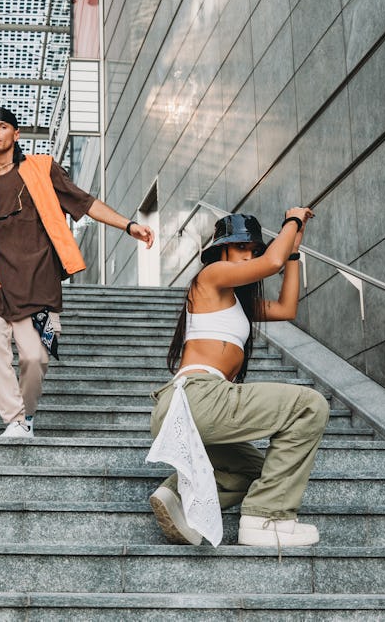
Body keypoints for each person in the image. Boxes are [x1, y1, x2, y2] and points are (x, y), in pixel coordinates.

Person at [0, 106, 154, 438]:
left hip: (39, 284)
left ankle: (27, 415)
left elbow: (85, 202)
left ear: (15, 135)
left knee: (35, 358)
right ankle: (15, 419)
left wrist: (128, 224)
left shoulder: (42, 168)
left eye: (2, 126)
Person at [148, 208, 329, 548]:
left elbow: (288, 308)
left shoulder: (237, 304)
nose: (248, 254)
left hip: (194, 407)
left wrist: (292, 251)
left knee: (263, 473)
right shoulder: (211, 276)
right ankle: (266, 519)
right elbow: (270, 264)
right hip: (198, 396)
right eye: (241, 247)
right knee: (309, 406)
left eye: (253, 250)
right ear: (222, 250)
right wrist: (290, 220)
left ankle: (178, 496)